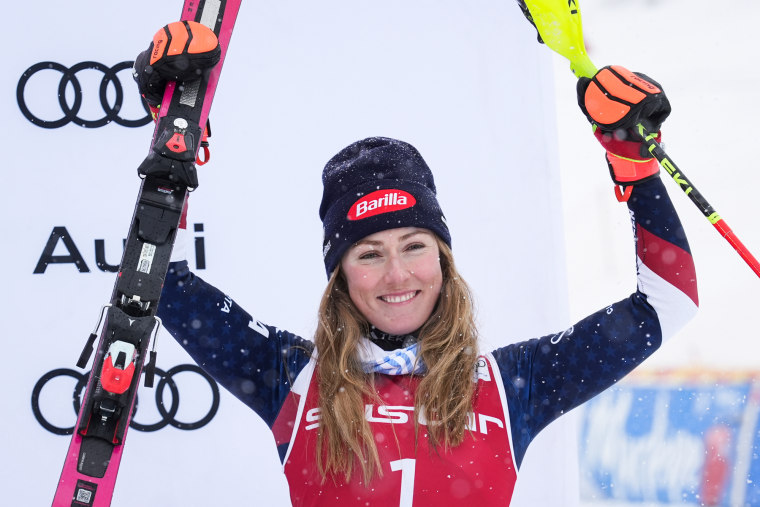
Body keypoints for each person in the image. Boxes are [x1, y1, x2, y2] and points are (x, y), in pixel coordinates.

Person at [134, 22, 699, 506]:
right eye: (369, 254)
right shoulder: (291, 378)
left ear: (444, 260)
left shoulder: (513, 387)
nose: (398, 275)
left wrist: (635, 166)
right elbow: (161, 278)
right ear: (341, 277)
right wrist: (175, 133)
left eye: (414, 246)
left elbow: (668, 306)